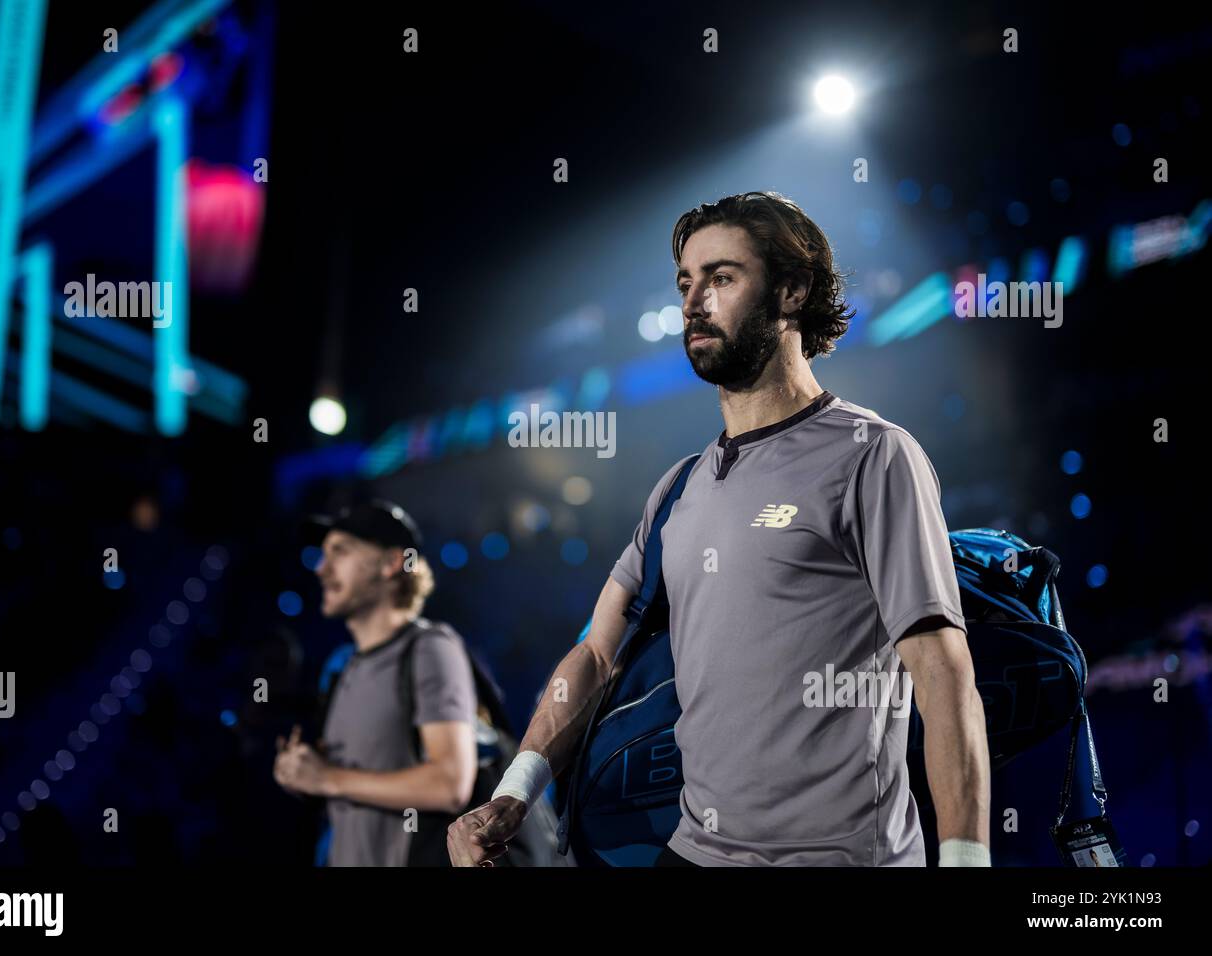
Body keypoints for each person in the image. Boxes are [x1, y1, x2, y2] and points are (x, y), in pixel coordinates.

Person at [448, 191, 991, 867]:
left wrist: (968, 860)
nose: (693, 300)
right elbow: (594, 655)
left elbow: (942, 673)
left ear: (791, 292)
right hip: (695, 854)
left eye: (722, 277)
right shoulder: (678, 487)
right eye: (686, 281)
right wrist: (516, 789)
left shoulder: (872, 454)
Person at [274, 499, 479, 866]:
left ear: (391, 563)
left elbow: (451, 785)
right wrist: (302, 774)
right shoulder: (340, 666)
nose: (321, 569)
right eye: (322, 554)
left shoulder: (430, 648)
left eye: (340, 551)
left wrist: (327, 779)